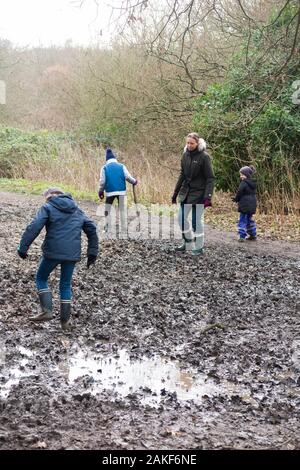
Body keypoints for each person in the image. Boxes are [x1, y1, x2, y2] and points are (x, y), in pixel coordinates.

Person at [17, 188, 99, 330]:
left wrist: (23, 247)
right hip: (72, 254)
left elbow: (34, 226)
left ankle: (47, 311)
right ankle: (65, 322)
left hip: (53, 252)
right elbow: (91, 229)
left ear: (49, 197)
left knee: (41, 278)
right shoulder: (77, 210)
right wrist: (92, 252)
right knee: (65, 284)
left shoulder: (48, 207)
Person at [172, 132, 215, 255]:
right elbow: (182, 174)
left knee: (196, 221)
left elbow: (210, 178)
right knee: (181, 219)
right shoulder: (185, 155)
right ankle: (187, 242)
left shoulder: (204, 157)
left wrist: (208, 196)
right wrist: (175, 192)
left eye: (192, 143)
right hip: (186, 192)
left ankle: (199, 246)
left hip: (200, 194)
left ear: (197, 143)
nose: (189, 145)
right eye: (188, 143)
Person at [98, 147, 137, 235]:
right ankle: (124, 229)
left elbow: (102, 182)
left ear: (107, 159)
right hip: (121, 192)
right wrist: (134, 181)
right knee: (122, 210)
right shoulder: (121, 166)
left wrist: (100, 191)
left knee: (107, 209)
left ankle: (107, 228)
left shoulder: (104, 168)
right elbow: (128, 177)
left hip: (110, 192)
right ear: (114, 158)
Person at [232, 165, 257, 242]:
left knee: (242, 220)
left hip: (244, 204)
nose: (241, 176)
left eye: (242, 175)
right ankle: (253, 234)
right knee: (249, 219)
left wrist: (236, 199)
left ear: (247, 175)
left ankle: (242, 236)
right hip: (252, 204)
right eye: (240, 175)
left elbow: (239, 192)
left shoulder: (243, 183)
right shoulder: (253, 183)